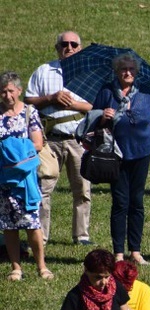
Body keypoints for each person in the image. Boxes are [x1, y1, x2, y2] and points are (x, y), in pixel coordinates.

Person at [92, 53, 150, 265]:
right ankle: (119, 253)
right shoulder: (106, 92)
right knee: (120, 202)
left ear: (136, 72)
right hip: (116, 155)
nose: (128, 73)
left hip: (142, 152)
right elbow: (93, 121)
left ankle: (136, 251)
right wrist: (103, 116)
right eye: (123, 69)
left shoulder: (146, 95)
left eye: (131, 69)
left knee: (137, 202)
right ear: (117, 72)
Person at [24, 31, 94, 246]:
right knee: (43, 188)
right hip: (48, 139)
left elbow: (96, 106)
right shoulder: (44, 71)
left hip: (78, 139)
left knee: (82, 189)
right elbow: (28, 100)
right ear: (57, 47)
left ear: (80, 48)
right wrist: (51, 98)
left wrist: (73, 105)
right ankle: (41, 236)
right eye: (64, 44)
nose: (69, 47)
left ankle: (81, 235)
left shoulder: (89, 74)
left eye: (74, 44)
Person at [0, 71, 53, 281]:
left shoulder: (29, 112)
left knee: (32, 223)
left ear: (19, 91)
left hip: (26, 179)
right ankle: (16, 267)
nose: (7, 95)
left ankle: (42, 266)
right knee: (8, 225)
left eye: (10, 91)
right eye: (3, 92)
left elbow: (38, 143)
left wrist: (9, 148)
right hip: (4, 180)